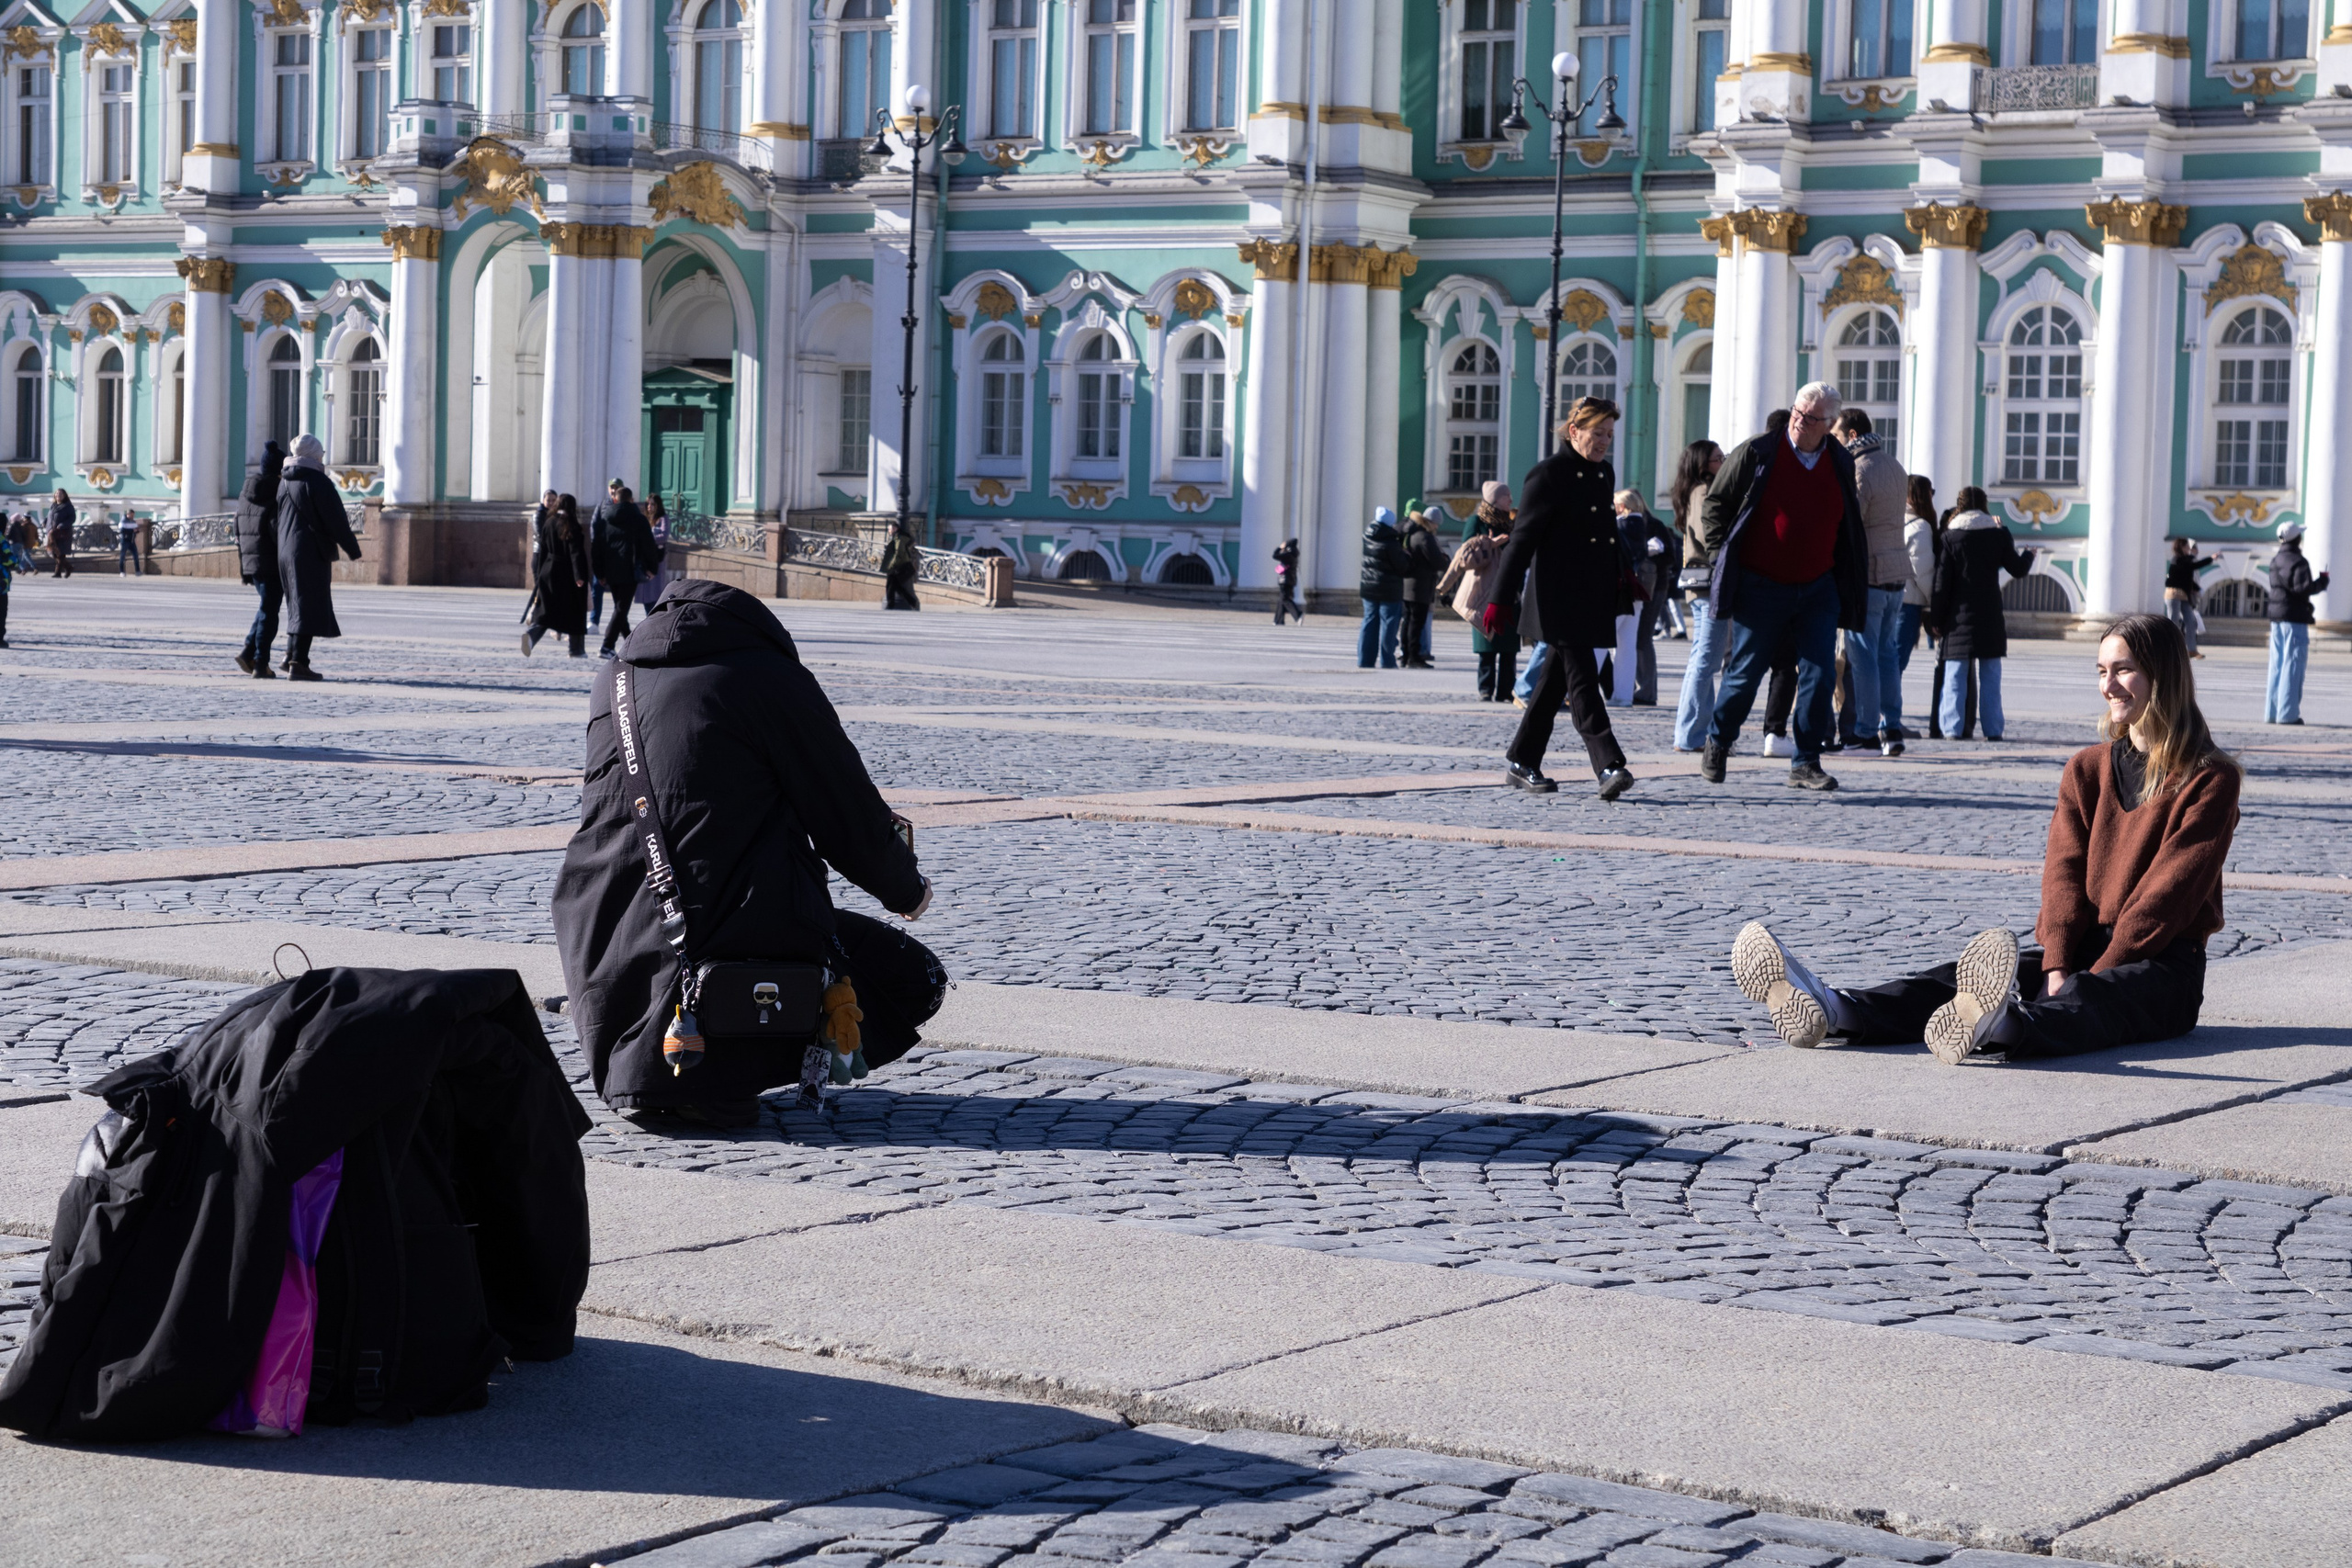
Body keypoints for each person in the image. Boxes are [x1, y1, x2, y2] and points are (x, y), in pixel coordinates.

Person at [1732, 613, 2240, 1065]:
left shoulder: (2209, 779)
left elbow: (2166, 900)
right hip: (2083, 948)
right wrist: (2058, 964)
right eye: (2101, 671)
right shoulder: (2086, 768)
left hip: (2163, 966)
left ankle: (2000, 1025)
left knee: (2093, 1001)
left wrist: (2081, 978)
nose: (2109, 685)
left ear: (2162, 675)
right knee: (1952, 980)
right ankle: (1839, 1009)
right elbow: (2062, 874)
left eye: (2123, 670)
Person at [552, 578, 944, 1125]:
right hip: (725, 932)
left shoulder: (613, 681)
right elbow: (844, 810)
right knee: (913, 977)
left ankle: (664, 1066)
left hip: (604, 938)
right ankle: (726, 1068)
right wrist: (906, 889)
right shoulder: (768, 676)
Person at [1697, 384, 1871, 792]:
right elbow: (1716, 505)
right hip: (1762, 584)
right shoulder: (1758, 452)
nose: (1799, 421)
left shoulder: (1839, 461)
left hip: (1818, 586)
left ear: (1829, 424)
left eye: (1810, 418)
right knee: (1745, 673)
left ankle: (1806, 761)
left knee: (1820, 674)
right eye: (1797, 412)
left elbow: (1847, 520)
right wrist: (1722, 556)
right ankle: (1719, 739)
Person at [1483, 396, 1636, 801]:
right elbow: (1521, 541)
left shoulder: (1604, 473)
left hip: (1591, 593)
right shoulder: (1547, 475)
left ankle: (1522, 760)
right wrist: (1500, 598)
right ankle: (1608, 764)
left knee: (1552, 684)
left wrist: (1625, 576)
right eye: (1597, 433)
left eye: (1609, 435)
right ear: (1574, 431)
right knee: (1583, 680)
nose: (1604, 442)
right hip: (1556, 596)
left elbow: (1605, 534)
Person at [1832, 408, 1910, 756]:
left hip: (1870, 575)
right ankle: (1892, 728)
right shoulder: (1894, 465)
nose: (1833, 441)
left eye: (1836, 435)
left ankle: (1865, 733)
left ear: (1852, 435)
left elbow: (1850, 523)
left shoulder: (1859, 469)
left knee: (1863, 658)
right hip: (1896, 573)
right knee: (1887, 656)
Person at [1930, 486, 2033, 742]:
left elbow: (1941, 584)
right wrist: (2027, 554)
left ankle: (1952, 728)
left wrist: (1936, 619)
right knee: (1991, 677)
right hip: (1989, 615)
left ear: (1960, 505)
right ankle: (1993, 729)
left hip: (1958, 617)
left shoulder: (1950, 537)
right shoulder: (1997, 535)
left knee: (1954, 675)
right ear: (1985, 506)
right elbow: (2017, 569)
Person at [274, 433, 363, 681]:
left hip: (285, 551)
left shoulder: (284, 482)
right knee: (308, 606)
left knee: (296, 605)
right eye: (321, 453)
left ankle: (289, 656)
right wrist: (352, 549)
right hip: (309, 551)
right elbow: (336, 520)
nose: (322, 457)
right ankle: (298, 663)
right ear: (314, 455)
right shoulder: (317, 482)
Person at [1670, 441, 1727, 751]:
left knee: (1703, 659)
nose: (1724, 462)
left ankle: (1696, 730)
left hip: (1702, 585)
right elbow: (1710, 537)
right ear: (1703, 465)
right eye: (1719, 458)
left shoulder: (1695, 491)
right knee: (1706, 660)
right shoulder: (1704, 492)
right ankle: (1690, 734)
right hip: (1709, 584)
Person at [1437, 487, 1517, 700]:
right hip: (1484, 592)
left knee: (1509, 647)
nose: (1511, 499)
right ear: (1494, 499)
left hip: (1510, 590)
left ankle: (1506, 691)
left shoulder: (1513, 522)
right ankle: (1485, 689)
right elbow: (1465, 557)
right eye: (1506, 496)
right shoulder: (1477, 522)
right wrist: (1490, 544)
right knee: (1486, 646)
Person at [1615, 489, 1677, 706]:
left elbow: (1670, 556)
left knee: (1642, 638)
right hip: (1636, 586)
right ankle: (1628, 688)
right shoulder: (1625, 523)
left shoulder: (1653, 525)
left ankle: (1646, 691)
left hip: (1654, 587)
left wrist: (1647, 557)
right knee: (1629, 640)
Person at [2265, 519, 2330, 726]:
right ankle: (2288, 714)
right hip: (2294, 618)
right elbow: (2303, 589)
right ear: (2298, 539)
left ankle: (2272, 713)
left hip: (2276, 617)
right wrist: (2322, 582)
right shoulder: (2299, 562)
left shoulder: (2275, 560)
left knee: (2276, 665)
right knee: (2293, 665)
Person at [232, 441, 288, 677]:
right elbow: (277, 529)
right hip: (270, 561)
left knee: (266, 607)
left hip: (251, 560)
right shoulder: (275, 493)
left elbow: (237, 525)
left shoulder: (246, 493)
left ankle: (248, 651)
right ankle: (260, 662)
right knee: (269, 613)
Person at [593, 485, 660, 655]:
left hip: (610, 570)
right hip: (630, 570)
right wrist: (652, 568)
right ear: (631, 500)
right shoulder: (638, 519)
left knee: (620, 608)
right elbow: (649, 545)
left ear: (615, 500)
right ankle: (607, 645)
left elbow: (596, 548)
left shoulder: (605, 519)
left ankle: (629, 644)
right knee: (621, 608)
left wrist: (599, 572)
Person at [526, 493, 592, 657]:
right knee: (576, 611)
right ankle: (576, 650)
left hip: (549, 570)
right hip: (568, 574)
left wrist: (540, 573)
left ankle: (531, 636)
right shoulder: (571, 525)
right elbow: (575, 553)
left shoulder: (549, 522)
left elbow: (542, 550)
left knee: (548, 611)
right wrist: (579, 576)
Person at [1899, 475, 1937, 711]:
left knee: (1883, 661)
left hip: (1886, 596)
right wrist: (1935, 601)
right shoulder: (1920, 527)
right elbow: (1922, 571)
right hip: (1909, 602)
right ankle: (1887, 720)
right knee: (1896, 663)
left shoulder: (1890, 520)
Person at [1357, 506, 1408, 669]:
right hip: (1389, 589)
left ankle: (1365, 660)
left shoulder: (1367, 536)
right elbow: (1402, 566)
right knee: (1389, 624)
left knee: (1369, 622)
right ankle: (1387, 660)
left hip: (1368, 587)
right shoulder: (1391, 543)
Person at [1397, 504, 1445, 670]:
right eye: (1436, 523)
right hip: (1421, 586)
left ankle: (1405, 656)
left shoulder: (1412, 534)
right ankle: (1414, 657)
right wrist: (1445, 561)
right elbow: (1436, 561)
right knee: (1416, 623)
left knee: (1408, 622)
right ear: (1431, 522)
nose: (1437, 527)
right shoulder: (1425, 537)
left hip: (1409, 586)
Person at [2164, 537, 2214, 660]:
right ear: (2180, 547)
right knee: (2174, 623)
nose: (2188, 549)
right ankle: (2170, 650)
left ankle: (2191, 650)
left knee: (2191, 621)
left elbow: (2188, 578)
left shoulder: (2185, 560)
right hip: (2173, 595)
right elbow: (2193, 565)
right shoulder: (2178, 560)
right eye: (2186, 547)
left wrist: (2197, 589)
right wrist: (2211, 558)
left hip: (2184, 595)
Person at [587, 479, 623, 628]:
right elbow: (594, 524)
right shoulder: (602, 505)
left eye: (617, 488)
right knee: (597, 588)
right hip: (603, 553)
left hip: (618, 554)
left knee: (618, 593)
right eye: (611, 487)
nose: (613, 490)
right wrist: (596, 543)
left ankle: (619, 622)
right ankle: (594, 621)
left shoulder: (625, 505)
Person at [637, 493, 673, 611]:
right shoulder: (644, 519)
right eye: (648, 504)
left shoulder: (663, 518)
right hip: (644, 558)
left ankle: (656, 613)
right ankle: (649, 614)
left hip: (657, 558)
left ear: (658, 505)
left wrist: (648, 538)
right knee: (645, 590)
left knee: (655, 591)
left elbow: (664, 536)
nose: (649, 507)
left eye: (652, 504)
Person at [882, 519, 922, 611]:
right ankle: (913, 603)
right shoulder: (899, 538)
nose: (888, 531)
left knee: (894, 585)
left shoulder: (900, 538)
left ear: (895, 529)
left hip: (903, 567)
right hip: (904, 567)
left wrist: (891, 565)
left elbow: (898, 554)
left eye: (890, 529)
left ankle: (891, 605)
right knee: (898, 586)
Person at [1272, 537, 1302, 625]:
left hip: (1285, 580)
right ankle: (1278, 620)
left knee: (1285, 599)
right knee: (1281, 600)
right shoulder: (1293, 554)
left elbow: (1275, 555)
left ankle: (1298, 614)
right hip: (1290, 580)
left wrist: (1280, 548)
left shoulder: (1288, 555)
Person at [45, 490, 73, 578]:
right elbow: (50, 516)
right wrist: (45, 521)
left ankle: (58, 572)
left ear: (64, 495)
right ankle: (68, 567)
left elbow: (72, 518)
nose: (58, 495)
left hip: (62, 533)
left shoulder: (68, 506)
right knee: (53, 552)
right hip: (52, 533)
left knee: (60, 553)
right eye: (57, 493)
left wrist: (62, 525)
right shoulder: (53, 505)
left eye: (60, 494)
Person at [116, 510, 141, 576]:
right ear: (128, 514)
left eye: (133, 515)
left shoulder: (133, 521)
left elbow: (137, 530)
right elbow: (122, 531)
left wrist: (136, 530)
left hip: (132, 541)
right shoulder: (123, 521)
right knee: (122, 556)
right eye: (132, 515)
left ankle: (137, 571)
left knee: (136, 556)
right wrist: (132, 530)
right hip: (125, 541)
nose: (133, 516)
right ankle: (122, 572)